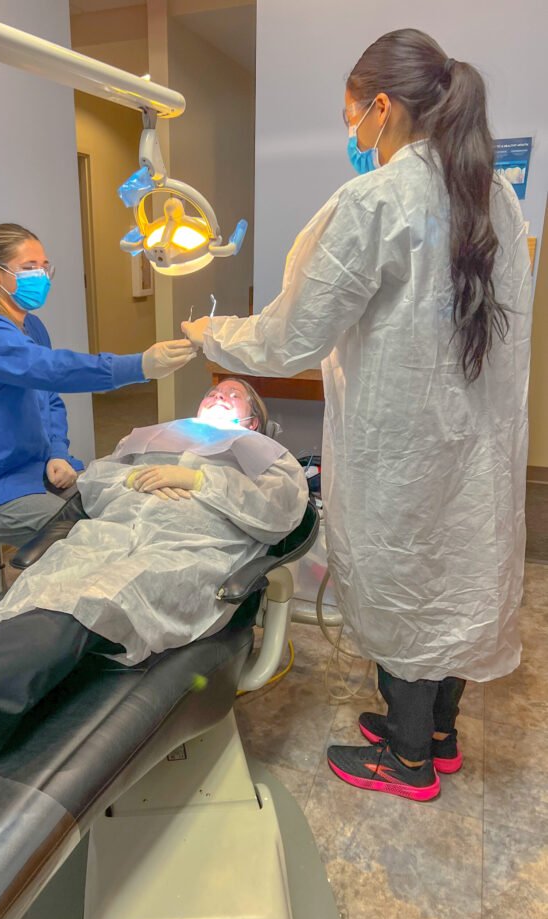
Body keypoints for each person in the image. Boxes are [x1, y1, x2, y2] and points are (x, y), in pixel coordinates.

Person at [182, 29, 532, 802]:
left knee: (405, 578)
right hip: (475, 447)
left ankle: (407, 761)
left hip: (403, 446)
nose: (351, 134)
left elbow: (290, 333)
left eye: (352, 116)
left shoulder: (378, 199)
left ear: (382, 106)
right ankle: (436, 737)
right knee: (454, 577)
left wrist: (208, 333)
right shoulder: (495, 196)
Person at [0, 380, 308, 881]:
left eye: (233, 395)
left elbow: (285, 510)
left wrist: (202, 483)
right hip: (104, 540)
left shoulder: (267, 456)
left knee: (70, 614)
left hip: (183, 553)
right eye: (214, 390)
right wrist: (133, 481)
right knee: (29, 615)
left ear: (254, 420)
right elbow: (94, 485)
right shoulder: (155, 438)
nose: (219, 396)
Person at [0, 222, 196, 547]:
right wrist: (139, 365)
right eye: (29, 268)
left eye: (45, 267)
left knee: (127, 506)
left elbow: (48, 399)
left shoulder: (31, 326)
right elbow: (50, 370)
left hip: (38, 470)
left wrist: (58, 453)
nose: (41, 277)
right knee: (91, 539)